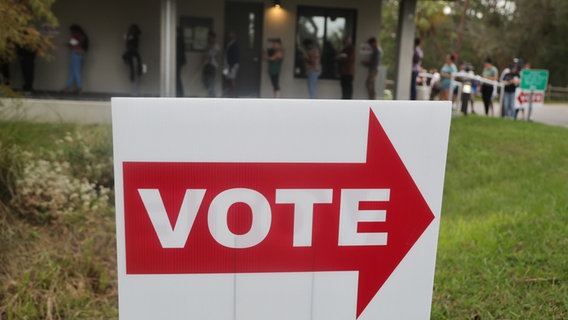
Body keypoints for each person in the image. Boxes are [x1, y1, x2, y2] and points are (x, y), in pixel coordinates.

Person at [63, 24, 88, 94]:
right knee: (73, 71)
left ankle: (79, 87)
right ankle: (67, 87)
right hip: (81, 55)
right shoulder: (83, 36)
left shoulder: (77, 36)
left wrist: (68, 44)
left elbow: (72, 45)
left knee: (76, 71)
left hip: (76, 54)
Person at [122, 24, 142, 96]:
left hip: (133, 57)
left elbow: (128, 40)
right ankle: (134, 92)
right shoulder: (130, 36)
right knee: (133, 74)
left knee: (134, 74)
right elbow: (125, 37)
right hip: (132, 56)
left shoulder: (134, 37)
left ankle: (135, 93)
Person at [202, 31, 220, 97]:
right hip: (206, 65)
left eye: (211, 38)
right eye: (208, 37)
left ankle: (212, 96)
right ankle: (210, 95)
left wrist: (208, 56)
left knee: (210, 81)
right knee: (205, 80)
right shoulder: (208, 45)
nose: (209, 39)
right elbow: (205, 54)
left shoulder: (216, 46)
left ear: (214, 38)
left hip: (212, 66)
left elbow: (215, 55)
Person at [223, 31, 239, 98]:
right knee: (226, 77)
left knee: (232, 78)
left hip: (232, 65)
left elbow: (235, 56)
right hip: (226, 65)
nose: (228, 37)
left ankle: (234, 94)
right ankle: (229, 92)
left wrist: (231, 66)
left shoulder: (235, 44)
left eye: (229, 36)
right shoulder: (228, 44)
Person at [176, 26, 186, 97]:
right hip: (179, 61)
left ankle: (180, 93)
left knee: (177, 77)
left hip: (178, 61)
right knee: (177, 77)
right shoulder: (180, 40)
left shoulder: (179, 41)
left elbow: (179, 53)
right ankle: (179, 93)